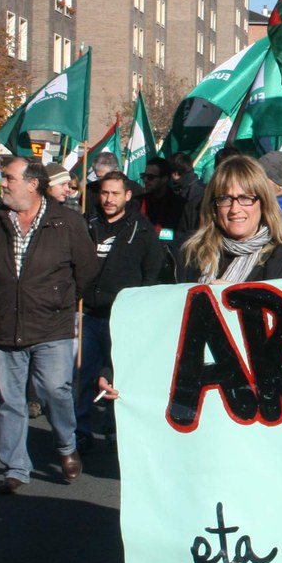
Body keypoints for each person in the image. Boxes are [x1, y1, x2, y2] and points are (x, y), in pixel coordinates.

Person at [0, 158, 99, 495]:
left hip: (52, 323)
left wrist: (59, 297)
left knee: (53, 390)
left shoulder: (67, 222)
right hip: (7, 323)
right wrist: (3, 297)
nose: (2, 184)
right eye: (3, 178)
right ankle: (15, 468)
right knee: (10, 400)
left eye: (8, 178)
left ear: (32, 184)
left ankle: (65, 445)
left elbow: (86, 272)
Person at [75, 171, 168, 451]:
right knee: (83, 373)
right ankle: (80, 429)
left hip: (124, 319)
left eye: (115, 194)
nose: (109, 199)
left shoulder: (141, 230)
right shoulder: (85, 224)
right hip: (88, 313)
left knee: (121, 379)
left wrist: (141, 305)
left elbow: (153, 270)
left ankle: (117, 429)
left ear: (127, 196)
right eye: (105, 193)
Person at [179, 154, 282, 284]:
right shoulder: (190, 250)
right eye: (225, 199)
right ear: (213, 207)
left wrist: (235, 297)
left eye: (245, 198)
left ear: (264, 203)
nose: (235, 209)